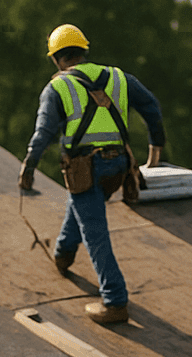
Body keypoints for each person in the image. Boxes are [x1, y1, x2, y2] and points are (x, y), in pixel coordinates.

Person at [17, 23, 165, 326]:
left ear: (57, 58)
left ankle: (115, 302)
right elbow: (151, 105)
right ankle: (63, 253)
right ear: (84, 51)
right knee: (85, 205)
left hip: (84, 167)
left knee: (94, 230)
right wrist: (155, 146)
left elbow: (43, 132)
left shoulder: (57, 87)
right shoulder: (118, 77)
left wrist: (29, 165)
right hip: (118, 166)